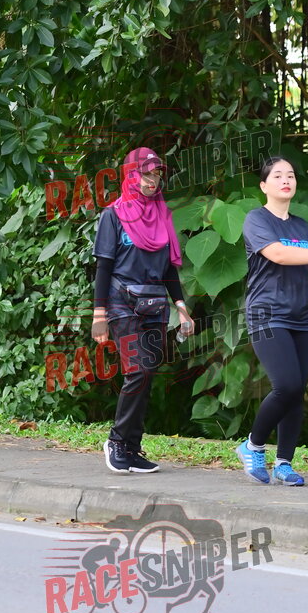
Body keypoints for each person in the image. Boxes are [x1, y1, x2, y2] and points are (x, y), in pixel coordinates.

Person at [236, 156, 308, 486]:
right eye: (277, 176)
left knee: (296, 391)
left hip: (302, 316)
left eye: (290, 175)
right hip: (267, 314)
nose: (286, 180)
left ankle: (284, 463)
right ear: (264, 185)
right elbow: (278, 254)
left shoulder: (301, 225)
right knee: (286, 385)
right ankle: (252, 445)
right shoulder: (256, 219)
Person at [91, 147, 195, 474]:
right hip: (120, 301)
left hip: (155, 303)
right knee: (138, 369)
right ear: (131, 176)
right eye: (145, 174)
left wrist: (181, 307)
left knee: (147, 372)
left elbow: (169, 268)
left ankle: (132, 448)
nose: (152, 181)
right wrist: (99, 314)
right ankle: (117, 441)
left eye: (157, 174)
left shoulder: (162, 214)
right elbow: (103, 267)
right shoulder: (114, 215)